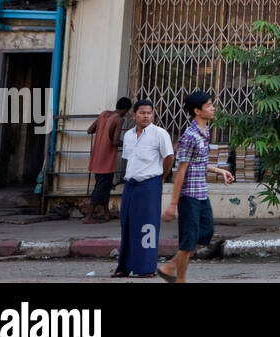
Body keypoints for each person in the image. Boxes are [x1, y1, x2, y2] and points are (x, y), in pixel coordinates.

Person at [158, 91, 233, 283]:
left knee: (204, 233)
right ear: (197, 111)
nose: (213, 108)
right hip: (189, 196)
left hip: (201, 194)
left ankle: (171, 269)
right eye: (208, 105)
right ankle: (177, 275)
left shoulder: (204, 132)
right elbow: (181, 170)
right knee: (188, 242)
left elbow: (199, 162)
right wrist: (173, 203)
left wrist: (219, 171)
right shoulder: (190, 136)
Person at [113, 99, 174, 278]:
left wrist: (162, 176)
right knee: (128, 224)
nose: (146, 116)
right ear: (134, 115)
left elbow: (169, 157)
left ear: (153, 114)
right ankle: (124, 266)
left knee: (147, 227)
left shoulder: (160, 134)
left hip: (150, 184)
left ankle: (146, 268)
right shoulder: (130, 135)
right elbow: (129, 159)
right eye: (142, 113)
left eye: (149, 113)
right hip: (131, 184)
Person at [84, 97, 131, 224]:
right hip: (107, 159)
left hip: (96, 156)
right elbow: (115, 141)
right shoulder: (118, 119)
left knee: (104, 186)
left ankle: (106, 214)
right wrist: (130, 143)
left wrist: (102, 132)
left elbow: (90, 130)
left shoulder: (103, 114)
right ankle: (89, 216)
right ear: (126, 110)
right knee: (100, 187)